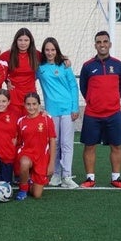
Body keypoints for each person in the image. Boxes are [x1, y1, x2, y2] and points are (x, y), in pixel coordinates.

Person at [79, 31, 121, 189]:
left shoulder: (118, 65)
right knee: (89, 146)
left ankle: (116, 178)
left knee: (116, 146)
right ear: (95, 45)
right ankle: (90, 179)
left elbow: (120, 86)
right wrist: (94, 101)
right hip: (92, 114)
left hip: (113, 113)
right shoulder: (87, 66)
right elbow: (84, 88)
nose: (102, 44)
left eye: (105, 41)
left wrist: (111, 100)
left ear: (110, 44)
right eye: (99, 42)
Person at [36, 37, 80, 189]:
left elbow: (73, 86)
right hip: (51, 111)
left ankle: (67, 175)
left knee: (66, 144)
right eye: (47, 50)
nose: (50, 53)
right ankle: (55, 174)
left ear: (57, 50)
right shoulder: (40, 68)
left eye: (53, 50)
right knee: (54, 143)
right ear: (43, 51)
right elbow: (26, 79)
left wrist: (76, 107)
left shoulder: (64, 65)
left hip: (67, 109)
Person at [15, 92, 57, 200]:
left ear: (39, 104)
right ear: (24, 105)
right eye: (28, 104)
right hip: (27, 154)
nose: (31, 107)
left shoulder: (47, 119)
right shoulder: (21, 121)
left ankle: (30, 180)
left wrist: (51, 163)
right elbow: (18, 142)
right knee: (24, 163)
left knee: (37, 195)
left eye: (34, 104)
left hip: (41, 157)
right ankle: (23, 188)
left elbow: (52, 141)